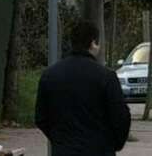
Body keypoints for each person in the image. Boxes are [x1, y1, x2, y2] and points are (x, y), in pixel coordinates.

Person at [35, 20, 132, 156]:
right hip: (99, 149)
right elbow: (121, 116)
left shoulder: (49, 75)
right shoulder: (106, 77)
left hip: (63, 149)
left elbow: (40, 117)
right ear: (93, 43)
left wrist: (59, 139)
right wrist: (113, 144)